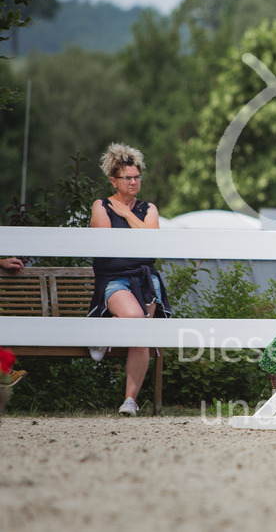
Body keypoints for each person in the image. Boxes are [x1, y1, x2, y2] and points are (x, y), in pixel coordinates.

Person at [88, 142, 170, 417]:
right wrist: (127, 218)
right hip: (114, 280)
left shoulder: (148, 208)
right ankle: (103, 329)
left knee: (142, 333)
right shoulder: (101, 206)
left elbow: (152, 242)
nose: (134, 182)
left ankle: (130, 400)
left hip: (145, 279)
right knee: (135, 319)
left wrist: (126, 214)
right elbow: (109, 246)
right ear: (114, 180)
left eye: (137, 177)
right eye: (128, 178)